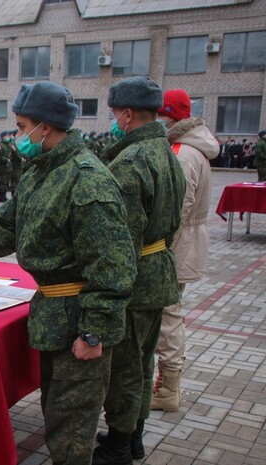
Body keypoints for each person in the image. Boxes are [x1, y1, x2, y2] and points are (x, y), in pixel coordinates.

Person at [0, 81, 137, 465]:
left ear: (44, 127)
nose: (17, 136)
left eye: (20, 126)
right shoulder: (42, 172)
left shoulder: (86, 179)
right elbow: (2, 228)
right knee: (57, 419)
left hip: (78, 320)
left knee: (71, 434)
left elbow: (113, 267)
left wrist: (93, 331)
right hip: (53, 318)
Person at [93, 77, 185, 465]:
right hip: (159, 271)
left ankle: (118, 447)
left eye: (115, 114)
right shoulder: (164, 150)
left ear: (127, 114)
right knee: (143, 363)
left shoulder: (131, 161)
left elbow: (120, 242)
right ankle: (133, 437)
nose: (114, 121)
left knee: (125, 369)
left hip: (136, 280)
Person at [151, 90, 219, 412]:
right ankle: (167, 384)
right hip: (187, 245)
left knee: (168, 315)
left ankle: (167, 389)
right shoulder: (194, 148)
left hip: (176, 248)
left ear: (170, 118)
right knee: (171, 313)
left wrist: (156, 249)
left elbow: (174, 212)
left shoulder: (181, 153)